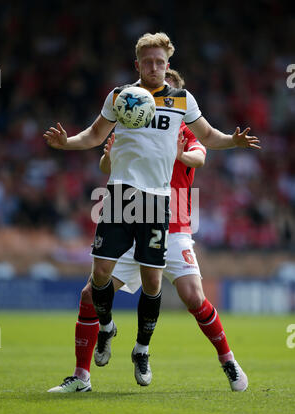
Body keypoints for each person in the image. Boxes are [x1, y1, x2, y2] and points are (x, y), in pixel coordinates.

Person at [45, 32, 260, 392]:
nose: (156, 68)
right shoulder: (122, 98)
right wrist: (67, 143)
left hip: (164, 209)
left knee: (174, 290)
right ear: (138, 65)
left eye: (161, 62)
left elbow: (205, 141)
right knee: (94, 285)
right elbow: (97, 138)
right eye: (149, 62)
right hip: (120, 198)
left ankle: (164, 352)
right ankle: (90, 360)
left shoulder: (182, 106)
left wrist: (231, 141)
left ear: (169, 65)